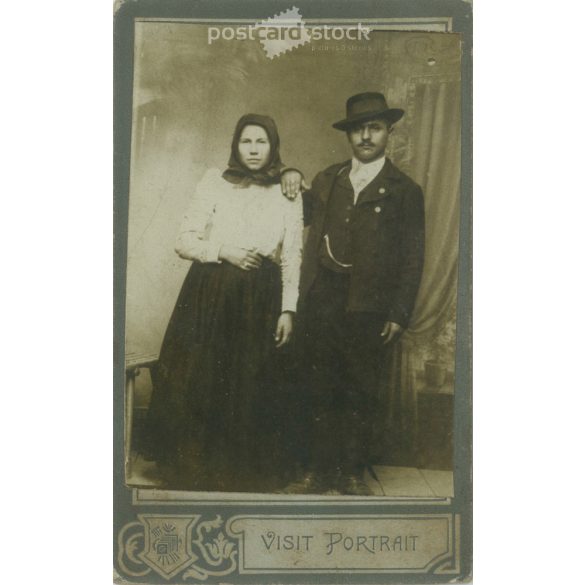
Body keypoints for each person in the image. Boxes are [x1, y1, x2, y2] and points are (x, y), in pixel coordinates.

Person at [144, 114, 304, 492]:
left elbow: (293, 255)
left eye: (261, 142)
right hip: (210, 293)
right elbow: (184, 241)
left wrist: (288, 309)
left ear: (273, 147)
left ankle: (243, 472)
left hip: (260, 298)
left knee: (250, 380)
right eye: (246, 141)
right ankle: (196, 469)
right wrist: (224, 251)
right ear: (235, 145)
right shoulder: (214, 181)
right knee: (204, 378)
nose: (253, 149)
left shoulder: (289, 189)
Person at [286, 92, 426, 496]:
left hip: (369, 305)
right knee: (318, 385)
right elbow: (299, 211)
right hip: (324, 298)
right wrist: (290, 172)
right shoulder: (328, 179)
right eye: (358, 128)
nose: (366, 136)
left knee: (359, 390)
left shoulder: (404, 190)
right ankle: (315, 471)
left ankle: (350, 473)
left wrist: (399, 312)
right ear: (349, 134)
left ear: (389, 132)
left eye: (375, 127)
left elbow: (413, 257)